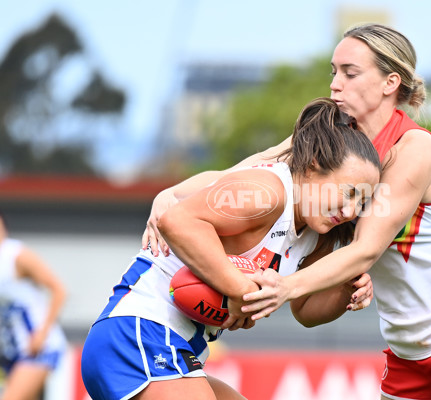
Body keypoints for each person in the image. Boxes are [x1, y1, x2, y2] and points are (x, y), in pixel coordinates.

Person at [142, 23, 431, 400]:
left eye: (350, 72)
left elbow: (365, 250)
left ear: (390, 82)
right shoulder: (335, 143)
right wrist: (171, 195)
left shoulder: (413, 149)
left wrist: (283, 288)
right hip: (408, 349)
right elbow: (248, 169)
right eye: (334, 71)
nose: (334, 84)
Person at [80, 97, 381, 400]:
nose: (352, 210)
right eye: (349, 193)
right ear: (315, 166)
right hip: (138, 333)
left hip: (176, 347)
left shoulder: (317, 232)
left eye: (362, 201)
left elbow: (303, 310)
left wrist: (344, 289)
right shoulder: (268, 192)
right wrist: (240, 290)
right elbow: (178, 222)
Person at [0, 211, 67, 400]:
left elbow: (59, 290)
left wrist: (42, 334)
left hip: (38, 348)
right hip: (11, 352)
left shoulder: (16, 255)